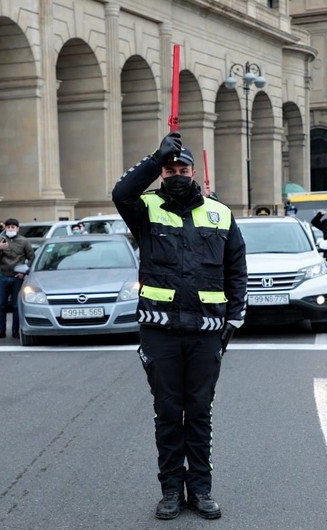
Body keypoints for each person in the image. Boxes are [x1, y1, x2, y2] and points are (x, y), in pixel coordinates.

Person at [112, 131, 248, 521]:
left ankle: (201, 490)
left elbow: (236, 268)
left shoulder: (220, 214)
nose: (175, 174)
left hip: (207, 331)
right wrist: (155, 157)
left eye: (181, 168)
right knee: (168, 413)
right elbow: (121, 193)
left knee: (200, 412)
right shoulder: (146, 209)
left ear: (194, 172)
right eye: (169, 169)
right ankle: (171, 489)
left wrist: (235, 317)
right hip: (160, 330)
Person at [0, 218, 34, 339]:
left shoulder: (24, 241)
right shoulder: (0, 240)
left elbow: (32, 257)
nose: (10, 229)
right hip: (3, 275)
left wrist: (25, 272)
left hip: (18, 276)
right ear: (5, 228)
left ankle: (16, 331)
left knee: (16, 306)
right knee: (1, 305)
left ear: (17, 228)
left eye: (13, 227)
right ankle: (1, 331)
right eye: (8, 227)